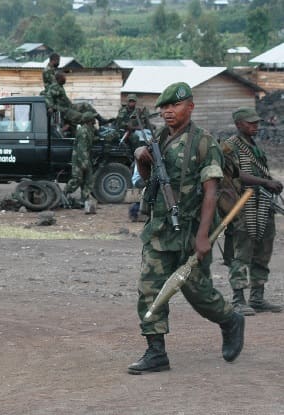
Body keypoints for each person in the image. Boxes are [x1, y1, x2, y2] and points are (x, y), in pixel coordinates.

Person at [128, 82, 245, 375]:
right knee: (149, 289)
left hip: (192, 229)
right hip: (160, 230)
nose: (168, 111)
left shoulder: (204, 142)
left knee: (198, 292)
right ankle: (156, 352)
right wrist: (142, 159)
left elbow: (211, 192)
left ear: (190, 107)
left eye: (174, 105)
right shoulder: (159, 138)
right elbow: (148, 181)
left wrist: (204, 235)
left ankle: (230, 320)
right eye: (164, 107)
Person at [221, 107, 283, 316]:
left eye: (256, 122)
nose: (255, 126)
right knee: (241, 253)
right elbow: (235, 174)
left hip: (263, 205)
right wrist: (266, 181)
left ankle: (257, 297)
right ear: (239, 124)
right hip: (242, 205)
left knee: (262, 252)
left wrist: (269, 184)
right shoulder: (230, 147)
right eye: (251, 123)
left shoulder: (254, 147)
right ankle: (238, 299)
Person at [63, 112, 97, 209]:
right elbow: (82, 148)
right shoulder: (83, 131)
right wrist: (84, 163)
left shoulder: (89, 129)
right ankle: (63, 194)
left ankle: (84, 200)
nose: (95, 120)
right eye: (93, 118)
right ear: (89, 120)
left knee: (88, 180)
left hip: (85, 158)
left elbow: (91, 140)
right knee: (77, 179)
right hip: (79, 159)